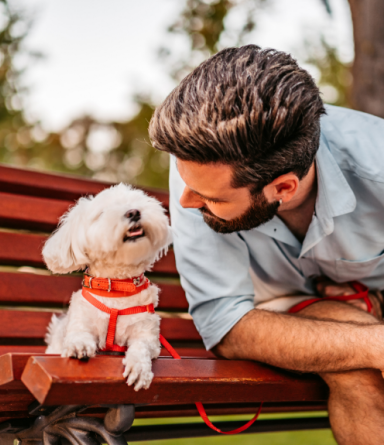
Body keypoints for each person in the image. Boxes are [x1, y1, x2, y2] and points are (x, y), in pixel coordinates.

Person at [148, 45, 384, 445]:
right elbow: (225, 322)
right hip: (274, 310)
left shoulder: (375, 161)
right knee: (358, 367)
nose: (185, 203)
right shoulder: (199, 164)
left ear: (283, 188)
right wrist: (375, 345)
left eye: (213, 199)